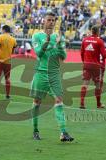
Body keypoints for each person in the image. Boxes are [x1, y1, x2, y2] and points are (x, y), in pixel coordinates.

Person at [30, 11, 74, 142]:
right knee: (37, 103)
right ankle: (35, 130)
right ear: (43, 21)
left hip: (54, 75)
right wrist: (47, 42)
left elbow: (63, 57)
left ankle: (63, 132)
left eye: (53, 20)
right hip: (41, 74)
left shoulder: (58, 37)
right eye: (48, 20)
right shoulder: (37, 36)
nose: (51, 22)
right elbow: (38, 53)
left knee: (59, 101)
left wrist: (60, 44)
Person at [80, 25, 106, 109]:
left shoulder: (85, 40)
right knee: (97, 85)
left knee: (85, 84)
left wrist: (84, 62)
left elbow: (82, 53)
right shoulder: (99, 41)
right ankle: (98, 104)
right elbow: (105, 55)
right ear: (98, 32)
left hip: (86, 64)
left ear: (91, 31)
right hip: (96, 66)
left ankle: (82, 103)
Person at [0, 25, 17, 100]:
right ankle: (7, 95)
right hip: (8, 61)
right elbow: (13, 50)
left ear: (3, 30)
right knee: (7, 78)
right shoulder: (13, 39)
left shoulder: (0, 37)